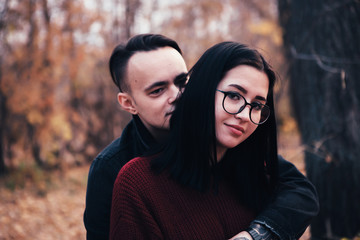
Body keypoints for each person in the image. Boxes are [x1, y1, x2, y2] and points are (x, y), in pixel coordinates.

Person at [84, 34, 319, 240]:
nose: (177, 96)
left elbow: (299, 189)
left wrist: (258, 234)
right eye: (157, 90)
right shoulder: (114, 169)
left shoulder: (231, 143)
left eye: (182, 82)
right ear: (128, 103)